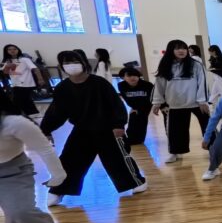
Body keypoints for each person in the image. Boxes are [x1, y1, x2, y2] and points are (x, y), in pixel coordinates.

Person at [40, 50, 147, 206]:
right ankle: (58, 191)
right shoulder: (63, 88)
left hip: (108, 129)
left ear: (84, 63)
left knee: (118, 159)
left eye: (75, 61)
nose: (71, 65)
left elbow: (115, 104)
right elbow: (56, 112)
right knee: (69, 160)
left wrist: (119, 124)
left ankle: (136, 182)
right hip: (82, 129)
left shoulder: (99, 83)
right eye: (67, 62)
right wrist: (45, 130)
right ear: (62, 66)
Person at [0, 94, 73, 223]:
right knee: (15, 222)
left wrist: (58, 175)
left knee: (19, 215)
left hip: (12, 173)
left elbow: (45, 149)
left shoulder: (14, 123)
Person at [153, 39, 210, 163]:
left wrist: (202, 101)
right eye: (178, 48)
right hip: (175, 104)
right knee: (175, 131)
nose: (182, 51)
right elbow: (159, 85)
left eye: (184, 48)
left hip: (196, 103)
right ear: (171, 50)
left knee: (208, 126)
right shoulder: (165, 65)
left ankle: (214, 149)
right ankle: (175, 152)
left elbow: (203, 82)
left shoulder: (196, 65)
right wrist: (157, 102)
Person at [2, 44, 44, 117]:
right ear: (6, 51)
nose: (12, 51)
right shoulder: (7, 61)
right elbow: (6, 73)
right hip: (16, 84)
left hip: (26, 83)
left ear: (18, 50)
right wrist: (7, 66)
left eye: (14, 49)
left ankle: (25, 115)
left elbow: (35, 69)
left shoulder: (24, 59)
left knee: (20, 100)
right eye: (9, 49)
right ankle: (32, 115)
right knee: (24, 101)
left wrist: (40, 79)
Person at [117, 67, 155, 146]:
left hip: (146, 105)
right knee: (133, 119)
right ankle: (131, 138)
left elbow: (150, 100)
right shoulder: (121, 85)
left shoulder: (147, 85)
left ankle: (138, 139)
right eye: (129, 76)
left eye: (135, 75)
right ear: (123, 77)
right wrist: (134, 107)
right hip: (134, 105)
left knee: (141, 119)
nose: (133, 77)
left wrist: (140, 109)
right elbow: (127, 98)